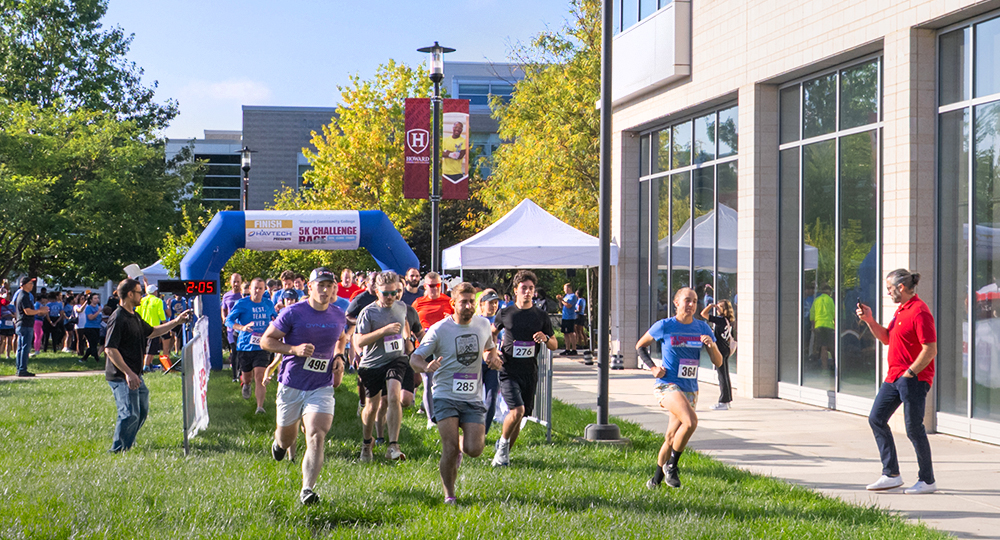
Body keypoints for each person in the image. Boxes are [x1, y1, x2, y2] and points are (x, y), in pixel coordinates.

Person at [261, 267, 348, 506]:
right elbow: (266, 340)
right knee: (286, 440)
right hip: (292, 384)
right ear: (309, 287)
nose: (324, 289)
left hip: (321, 386)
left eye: (329, 285)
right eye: (320, 285)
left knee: (317, 435)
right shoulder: (293, 313)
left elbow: (342, 337)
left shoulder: (338, 314)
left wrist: (339, 356)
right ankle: (279, 444)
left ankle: (307, 489)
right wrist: (294, 350)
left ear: (333, 289)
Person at [410, 282, 500, 503]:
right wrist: (425, 367)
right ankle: (449, 495)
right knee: (449, 448)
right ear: (453, 304)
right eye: (464, 302)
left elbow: (489, 347)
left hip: (472, 397)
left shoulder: (483, 324)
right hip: (445, 395)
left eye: (472, 302)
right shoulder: (439, 330)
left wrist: (492, 357)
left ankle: (462, 444)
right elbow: (415, 358)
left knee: (475, 449)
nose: (469, 306)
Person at [858, 269, 938, 495]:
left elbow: (930, 349)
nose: (888, 293)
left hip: (913, 378)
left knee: (914, 428)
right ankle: (891, 474)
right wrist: (869, 320)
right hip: (893, 378)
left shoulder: (920, 311)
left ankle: (927, 480)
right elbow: (886, 338)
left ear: (901, 287)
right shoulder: (901, 311)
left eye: (889, 289)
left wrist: (910, 373)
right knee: (876, 418)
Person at [637, 287, 722, 489]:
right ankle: (672, 466)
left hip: (690, 388)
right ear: (676, 303)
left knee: (670, 437)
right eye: (687, 300)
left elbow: (718, 362)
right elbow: (640, 346)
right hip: (667, 385)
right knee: (691, 421)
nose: (691, 305)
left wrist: (711, 346)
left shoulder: (703, 328)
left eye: (694, 301)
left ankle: (655, 480)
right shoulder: (665, 325)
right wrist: (653, 367)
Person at [105, 278, 191, 453]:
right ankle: (118, 451)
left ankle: (128, 441)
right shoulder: (118, 317)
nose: (142, 296)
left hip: (135, 374)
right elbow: (110, 349)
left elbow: (152, 332)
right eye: (139, 293)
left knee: (141, 411)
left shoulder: (134, 315)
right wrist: (128, 373)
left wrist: (176, 322)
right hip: (121, 375)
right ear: (130, 294)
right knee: (129, 414)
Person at [491, 270, 557, 467]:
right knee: (517, 410)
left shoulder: (540, 315)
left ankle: (503, 454)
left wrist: (545, 339)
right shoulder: (505, 313)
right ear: (516, 290)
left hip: (530, 371)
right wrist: (494, 351)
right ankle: (502, 447)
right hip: (509, 369)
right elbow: (491, 333)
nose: (528, 292)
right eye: (524, 288)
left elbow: (553, 343)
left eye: (531, 288)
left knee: (521, 416)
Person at [354, 271, 412, 462]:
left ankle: (393, 445)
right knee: (371, 407)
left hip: (396, 358)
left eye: (394, 293)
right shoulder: (368, 312)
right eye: (385, 293)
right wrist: (384, 331)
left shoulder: (401, 307)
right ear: (377, 292)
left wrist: (407, 339)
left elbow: (404, 324)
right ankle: (366, 443)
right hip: (372, 363)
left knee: (394, 395)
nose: (390, 297)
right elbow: (360, 341)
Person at [226, 278, 277, 413]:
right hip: (245, 346)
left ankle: (260, 407)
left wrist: (275, 324)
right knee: (247, 376)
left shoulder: (268, 304)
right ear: (250, 289)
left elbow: (275, 318)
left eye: (261, 288)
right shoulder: (242, 303)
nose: (258, 291)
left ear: (264, 290)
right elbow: (228, 321)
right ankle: (246, 384)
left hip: (262, 346)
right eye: (255, 288)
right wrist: (242, 328)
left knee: (260, 376)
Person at [412, 271, 455, 428]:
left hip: (444, 347)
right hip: (424, 347)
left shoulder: (449, 302)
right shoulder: (418, 303)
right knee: (428, 381)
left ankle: (445, 412)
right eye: (431, 286)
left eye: (438, 286)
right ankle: (432, 419)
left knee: (443, 382)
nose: (435, 289)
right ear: (425, 287)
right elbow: (410, 323)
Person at [701, 300, 736, 410]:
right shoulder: (727, 320)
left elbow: (703, 314)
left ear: (724, 309)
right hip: (725, 349)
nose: (717, 309)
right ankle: (727, 399)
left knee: (722, 376)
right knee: (725, 375)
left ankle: (723, 401)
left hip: (720, 351)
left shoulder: (720, 320)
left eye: (719, 307)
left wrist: (710, 306)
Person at [476, 289, 502, 434]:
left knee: (491, 398)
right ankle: (471, 429)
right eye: (490, 303)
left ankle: (483, 433)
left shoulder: (500, 322)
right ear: (481, 304)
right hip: (476, 366)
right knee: (475, 400)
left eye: (495, 303)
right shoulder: (476, 322)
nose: (493, 306)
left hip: (493, 366)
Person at [12, 277, 47, 376]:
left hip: (22, 324)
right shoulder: (24, 296)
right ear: (25, 284)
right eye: (30, 283)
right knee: (25, 347)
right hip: (25, 324)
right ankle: (22, 369)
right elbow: (27, 311)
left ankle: (20, 369)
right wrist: (40, 311)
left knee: (21, 347)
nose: (32, 285)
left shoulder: (22, 295)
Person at [136, 283, 168, 373]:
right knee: (151, 349)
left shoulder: (142, 300)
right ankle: (146, 366)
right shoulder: (158, 301)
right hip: (154, 328)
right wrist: (166, 326)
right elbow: (161, 315)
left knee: (144, 347)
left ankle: (146, 364)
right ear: (154, 292)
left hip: (142, 327)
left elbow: (137, 312)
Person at [221, 273, 244, 381]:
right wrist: (224, 318)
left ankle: (241, 372)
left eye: (238, 282)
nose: (236, 284)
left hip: (242, 328)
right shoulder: (226, 296)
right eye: (234, 282)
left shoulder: (243, 295)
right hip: (231, 328)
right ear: (230, 282)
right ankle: (234, 376)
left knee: (241, 351)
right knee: (234, 350)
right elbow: (224, 309)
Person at [810, 283, 835, 371]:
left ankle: (824, 368)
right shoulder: (830, 300)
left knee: (823, 347)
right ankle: (835, 364)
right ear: (829, 292)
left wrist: (814, 327)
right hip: (829, 325)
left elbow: (812, 315)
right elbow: (834, 314)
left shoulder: (816, 300)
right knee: (832, 346)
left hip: (819, 325)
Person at [79, 293, 103, 363]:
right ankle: (97, 359)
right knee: (93, 344)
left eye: (97, 298)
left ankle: (84, 358)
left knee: (94, 344)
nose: (97, 299)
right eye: (95, 298)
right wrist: (98, 312)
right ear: (91, 300)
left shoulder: (100, 306)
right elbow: (91, 317)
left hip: (97, 327)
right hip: (90, 327)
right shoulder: (88, 308)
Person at [1, 293, 15, 359]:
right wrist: (5, 316)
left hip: (10, 325)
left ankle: (8, 355)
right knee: (1, 340)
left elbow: (15, 315)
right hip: (2, 325)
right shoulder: (1, 306)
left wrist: (11, 316)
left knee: (9, 341)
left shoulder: (12, 306)